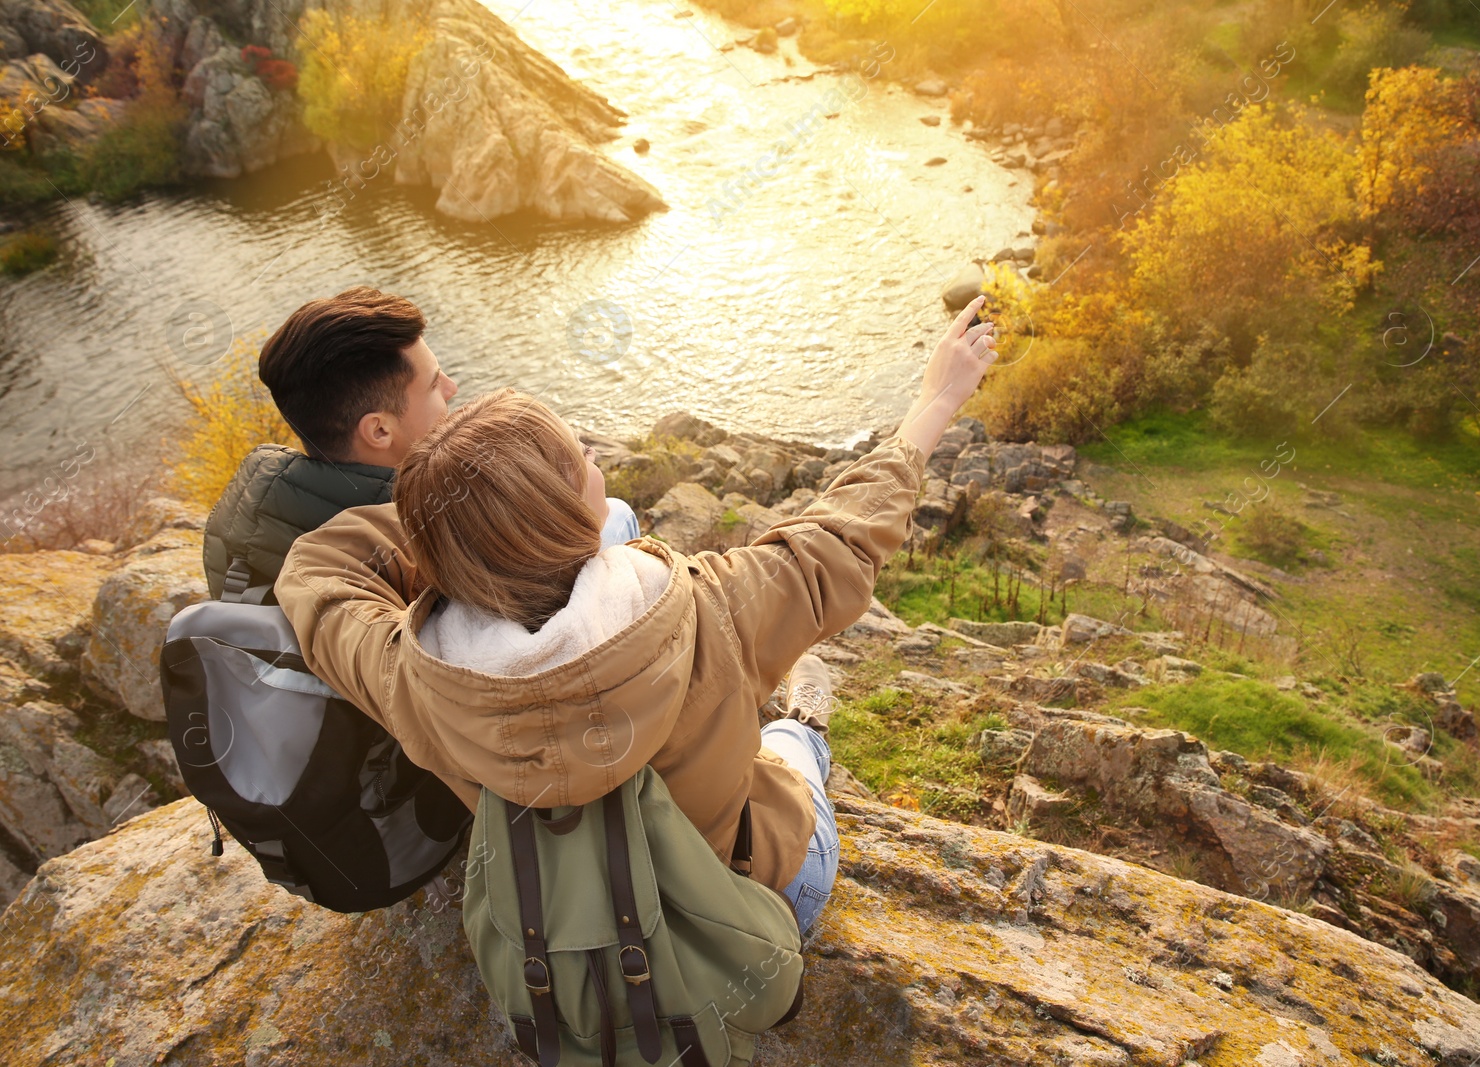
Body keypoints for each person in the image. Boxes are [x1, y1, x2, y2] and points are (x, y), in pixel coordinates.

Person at [273, 296, 1000, 931]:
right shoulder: (707, 603)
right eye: (579, 454)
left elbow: (314, 572)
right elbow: (837, 540)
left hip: (562, 944)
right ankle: (802, 725)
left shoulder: (414, 675)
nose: (594, 457)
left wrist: (459, 524)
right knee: (789, 744)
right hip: (741, 917)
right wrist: (933, 402)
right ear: (563, 509)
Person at [201, 286, 640, 598]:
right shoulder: (427, 529)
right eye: (432, 385)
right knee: (615, 515)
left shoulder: (246, 505)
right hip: (413, 720)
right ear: (379, 431)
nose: (451, 388)